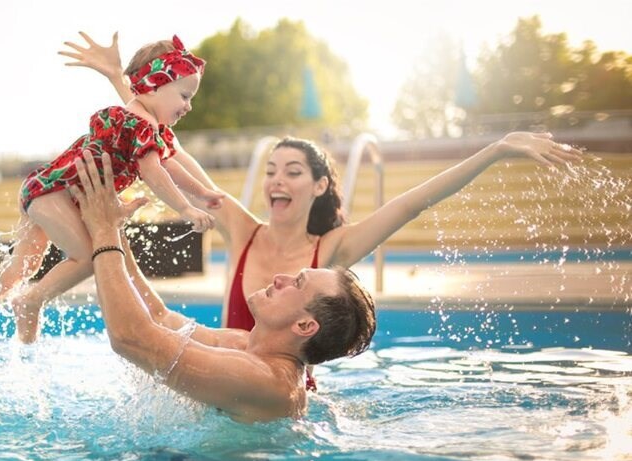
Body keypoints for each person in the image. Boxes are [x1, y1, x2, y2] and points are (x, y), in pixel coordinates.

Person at [58, 31, 584, 388]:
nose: (275, 181)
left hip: (252, 387)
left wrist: (494, 151)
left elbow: (412, 202)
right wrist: (120, 83)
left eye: (291, 171)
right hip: (223, 366)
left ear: (319, 186)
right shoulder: (243, 231)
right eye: (270, 170)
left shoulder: (329, 255)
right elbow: (166, 145)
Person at [0, 35, 224, 358]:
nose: (188, 105)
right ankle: (30, 301)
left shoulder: (145, 125)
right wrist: (185, 207)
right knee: (88, 258)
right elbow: (155, 173)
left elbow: (169, 164)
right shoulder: (138, 124)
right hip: (56, 193)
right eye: (184, 95)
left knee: (26, 262)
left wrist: (203, 192)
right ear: (154, 86)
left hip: (44, 189)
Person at [71, 150, 377, 423]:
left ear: (305, 325)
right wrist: (114, 228)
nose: (280, 278)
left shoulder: (265, 381)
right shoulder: (245, 345)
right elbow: (159, 319)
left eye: (297, 283)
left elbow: (131, 339)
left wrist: (103, 231)